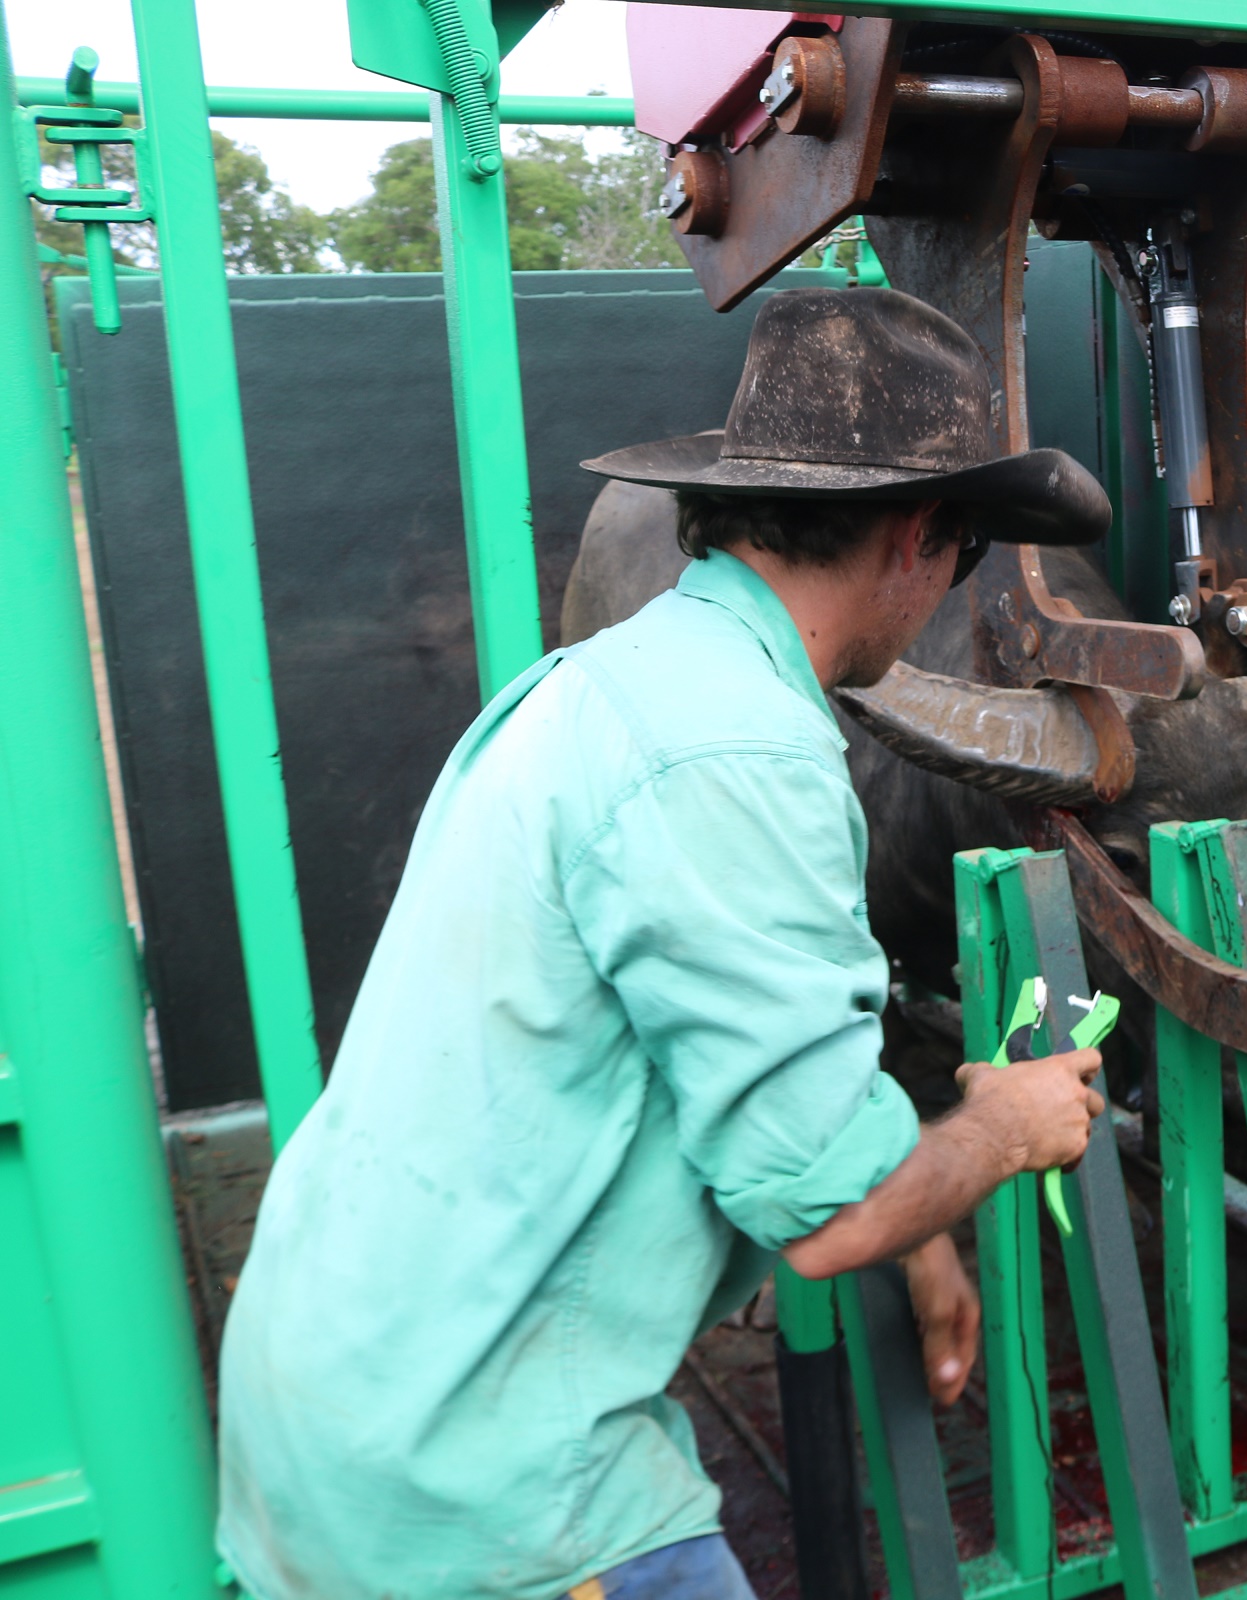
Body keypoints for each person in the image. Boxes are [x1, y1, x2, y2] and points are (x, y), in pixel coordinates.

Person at [215, 289, 1115, 1600]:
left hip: (339, 1400)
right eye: (970, 555)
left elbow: (707, 1073)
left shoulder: (612, 680)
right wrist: (1000, 1125)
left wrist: (909, 1214)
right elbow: (830, 1215)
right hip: (482, 1480)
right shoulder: (739, 747)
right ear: (921, 538)